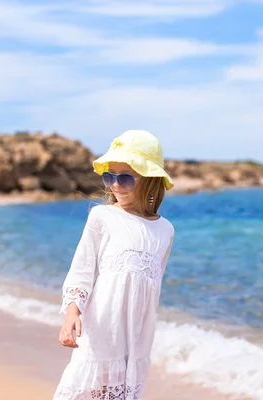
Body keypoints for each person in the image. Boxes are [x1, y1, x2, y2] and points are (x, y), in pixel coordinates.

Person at [53, 130, 175, 400]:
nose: (115, 185)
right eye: (110, 177)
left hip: (137, 336)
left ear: (150, 181)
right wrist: (72, 313)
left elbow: (152, 288)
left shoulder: (165, 230)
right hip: (101, 326)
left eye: (125, 178)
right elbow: (83, 269)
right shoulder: (102, 216)